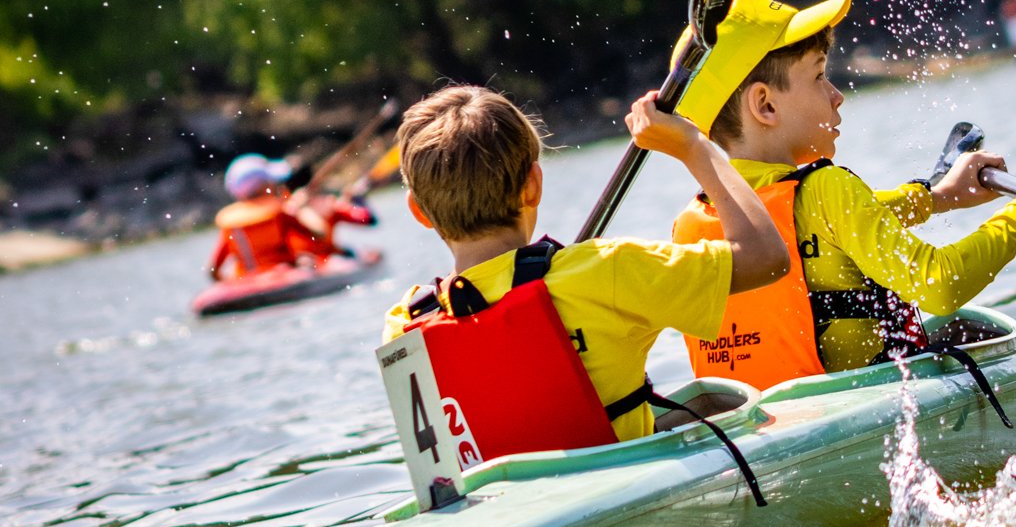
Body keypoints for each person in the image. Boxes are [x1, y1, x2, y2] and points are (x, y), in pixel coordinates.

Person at [668, 0, 1016, 391]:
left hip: (758, 429)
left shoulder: (696, 220)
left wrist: (936, 196)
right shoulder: (827, 188)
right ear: (765, 106)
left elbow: (821, 227)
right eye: (817, 76)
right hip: (853, 422)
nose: (837, 97)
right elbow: (938, 285)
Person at [382, 83, 788, 445]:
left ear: (419, 212)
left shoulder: (403, 330)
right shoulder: (606, 270)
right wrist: (693, 146)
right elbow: (766, 258)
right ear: (534, 186)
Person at [207, 155, 374, 281]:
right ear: (264, 186)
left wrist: (232, 285)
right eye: (271, 181)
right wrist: (300, 209)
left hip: (246, 278)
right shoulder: (281, 213)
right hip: (282, 273)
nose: (276, 184)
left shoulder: (230, 224)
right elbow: (319, 233)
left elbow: (213, 270)